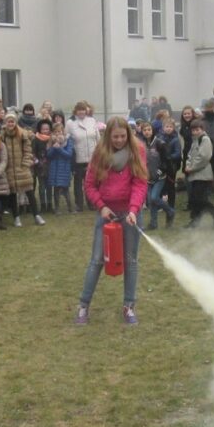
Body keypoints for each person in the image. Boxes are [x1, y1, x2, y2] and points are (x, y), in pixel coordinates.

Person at [74, 117, 148, 326]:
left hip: (130, 214)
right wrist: (102, 206)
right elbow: (89, 185)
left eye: (123, 136)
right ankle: (83, 306)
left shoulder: (137, 151)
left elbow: (140, 183)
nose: (119, 140)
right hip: (106, 214)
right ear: (108, 136)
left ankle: (129, 306)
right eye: (115, 137)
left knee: (131, 260)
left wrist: (133, 210)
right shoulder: (100, 154)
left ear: (128, 135)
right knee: (97, 260)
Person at [2, 112, 44, 226]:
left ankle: (36, 215)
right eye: (8, 121)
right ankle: (16, 217)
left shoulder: (22, 134)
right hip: (9, 169)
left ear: (15, 122)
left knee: (30, 191)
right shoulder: (3, 135)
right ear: (5, 123)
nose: (10, 123)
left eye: (12, 121)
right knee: (12, 194)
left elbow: (27, 151)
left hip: (22, 167)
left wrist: (25, 164)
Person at [184, 118, 214, 228]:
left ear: (202, 129)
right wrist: (187, 164)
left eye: (197, 130)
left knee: (200, 199)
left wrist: (191, 168)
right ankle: (195, 221)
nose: (195, 132)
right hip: (195, 175)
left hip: (203, 175)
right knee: (195, 199)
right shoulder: (195, 140)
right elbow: (190, 155)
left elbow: (204, 157)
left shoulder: (205, 140)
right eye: (193, 130)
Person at [142, 121, 176, 230]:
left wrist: (161, 170)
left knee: (154, 197)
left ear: (153, 131)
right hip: (148, 178)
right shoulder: (141, 144)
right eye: (144, 130)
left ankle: (170, 211)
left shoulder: (160, 143)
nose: (147, 132)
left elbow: (167, 159)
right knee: (151, 202)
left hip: (160, 177)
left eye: (149, 129)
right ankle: (153, 223)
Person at [68, 101, 100, 213]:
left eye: (83, 110)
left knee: (90, 182)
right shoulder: (71, 123)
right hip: (78, 158)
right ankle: (79, 205)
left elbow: (98, 138)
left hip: (92, 157)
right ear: (76, 111)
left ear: (86, 111)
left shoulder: (92, 121)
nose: (81, 112)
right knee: (77, 183)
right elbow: (67, 139)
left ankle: (91, 203)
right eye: (79, 110)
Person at [46, 121, 74, 214]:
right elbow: (49, 155)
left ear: (63, 131)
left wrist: (59, 148)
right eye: (55, 132)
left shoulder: (68, 141)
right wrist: (54, 148)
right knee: (56, 190)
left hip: (64, 169)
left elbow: (69, 155)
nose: (58, 134)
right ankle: (57, 208)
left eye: (59, 131)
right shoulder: (51, 141)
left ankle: (70, 208)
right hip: (54, 169)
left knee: (66, 190)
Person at [31, 118, 52, 214]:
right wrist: (37, 161)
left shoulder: (52, 139)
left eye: (47, 129)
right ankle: (43, 204)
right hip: (39, 166)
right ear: (40, 129)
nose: (45, 131)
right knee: (41, 186)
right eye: (43, 129)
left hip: (50, 166)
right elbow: (33, 152)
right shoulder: (36, 139)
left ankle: (50, 204)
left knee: (49, 186)